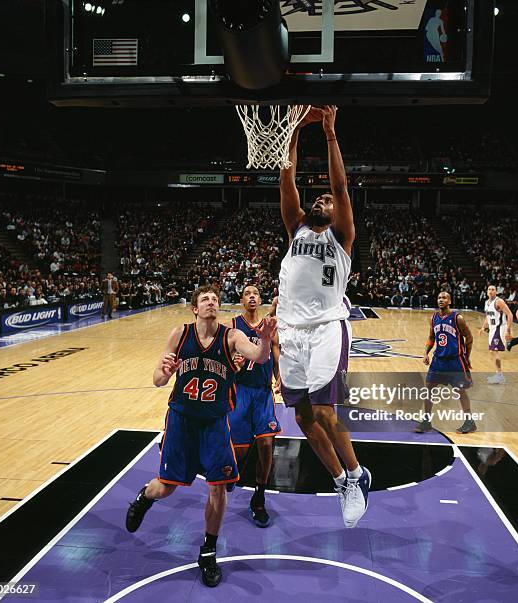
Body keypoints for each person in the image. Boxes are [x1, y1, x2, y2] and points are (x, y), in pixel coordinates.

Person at [125, 285, 277, 588]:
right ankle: (145, 497)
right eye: (205, 299)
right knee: (165, 488)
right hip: (181, 421)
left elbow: (260, 357)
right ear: (195, 308)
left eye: (215, 300)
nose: (211, 302)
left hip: (215, 423)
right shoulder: (179, 335)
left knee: (219, 488)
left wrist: (266, 337)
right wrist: (165, 374)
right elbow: (157, 379)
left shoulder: (231, 336)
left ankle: (208, 551)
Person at [278, 105, 370, 529]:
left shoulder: (343, 238)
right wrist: (294, 130)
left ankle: (355, 476)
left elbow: (341, 185)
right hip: (290, 331)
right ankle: (341, 480)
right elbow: (287, 175)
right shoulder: (296, 227)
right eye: (320, 198)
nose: (323, 199)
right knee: (302, 418)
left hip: (327, 328)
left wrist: (330, 133)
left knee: (327, 411)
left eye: (328, 201)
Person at [228, 285, 281, 528]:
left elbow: (276, 350)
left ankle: (259, 497)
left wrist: (281, 374)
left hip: (262, 392)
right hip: (239, 392)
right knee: (238, 451)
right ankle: (231, 472)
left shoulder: (269, 325)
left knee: (266, 443)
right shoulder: (233, 325)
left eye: (255, 293)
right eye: (247, 293)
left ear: (260, 300)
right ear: (242, 300)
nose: (252, 296)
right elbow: (225, 356)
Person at [415, 291, 476, 434]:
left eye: (444, 298)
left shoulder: (457, 318)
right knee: (429, 389)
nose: (441, 300)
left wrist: (467, 357)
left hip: (455, 361)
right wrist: (426, 353)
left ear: (450, 301)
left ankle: (469, 421)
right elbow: (431, 337)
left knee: (460, 391)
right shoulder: (434, 317)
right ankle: (426, 421)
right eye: (439, 298)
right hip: (438, 361)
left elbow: (469, 337)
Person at [478, 285, 513, 384]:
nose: (490, 291)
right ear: (486, 291)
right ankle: (498, 374)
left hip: (500, 328)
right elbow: (487, 316)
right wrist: (483, 327)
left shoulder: (499, 301)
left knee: (494, 351)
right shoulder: (487, 302)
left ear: (496, 292)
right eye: (489, 289)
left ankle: (499, 375)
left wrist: (508, 330)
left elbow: (510, 314)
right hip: (492, 329)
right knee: (492, 351)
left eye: (493, 289)